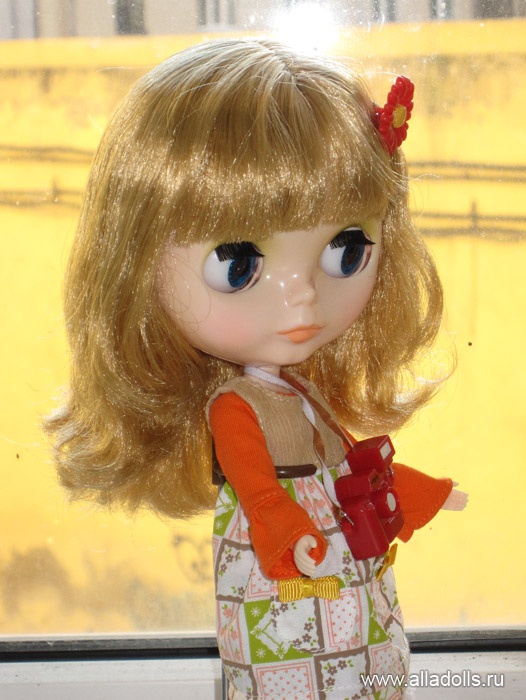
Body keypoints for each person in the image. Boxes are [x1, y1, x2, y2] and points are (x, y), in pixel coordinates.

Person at [46, 38, 467, 699]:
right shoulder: (236, 406)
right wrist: (283, 530)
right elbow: (259, 489)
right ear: (138, 267)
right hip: (284, 565)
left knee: (364, 650)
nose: (302, 297)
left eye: (346, 249)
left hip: (336, 558)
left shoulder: (300, 392)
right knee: (292, 667)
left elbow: (351, 466)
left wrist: (420, 492)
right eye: (239, 264)